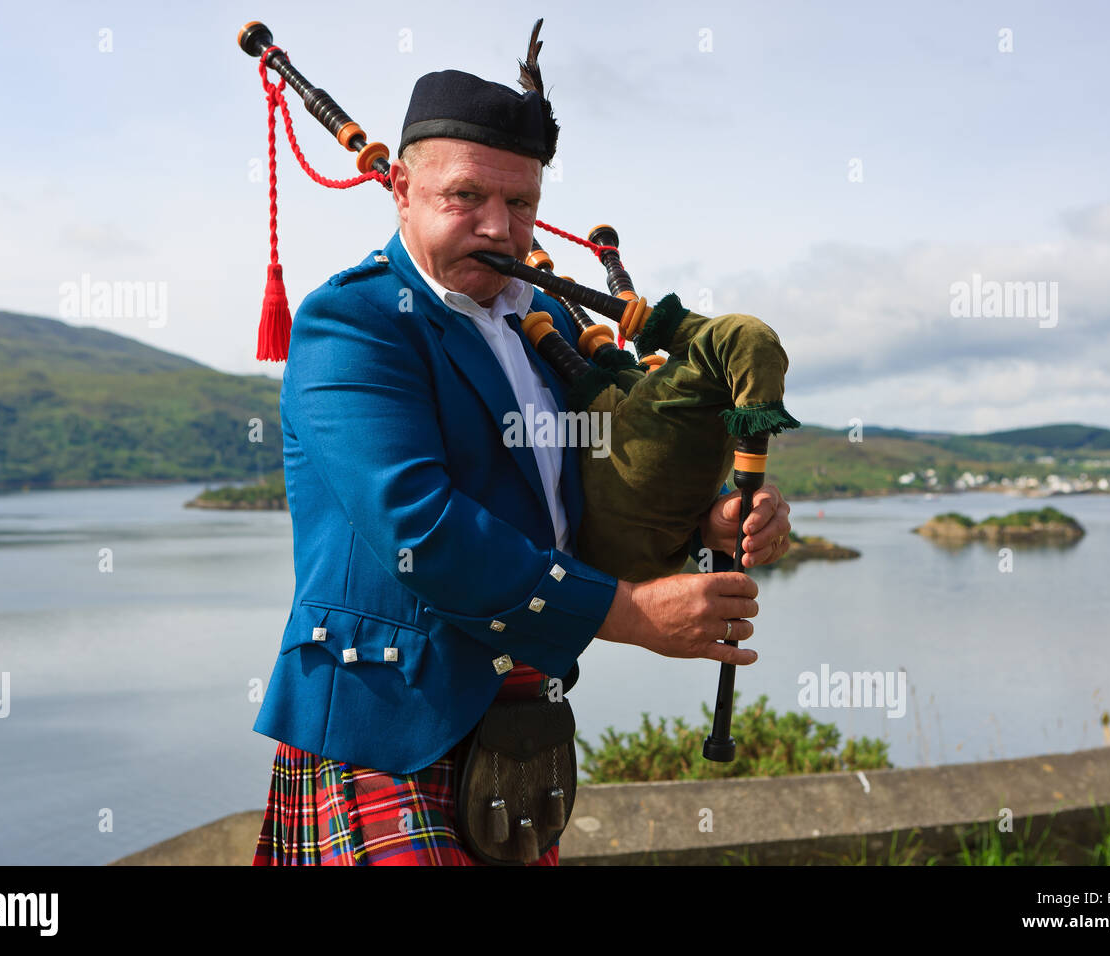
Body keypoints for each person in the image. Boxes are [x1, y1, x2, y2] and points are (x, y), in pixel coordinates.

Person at [250, 64, 792, 866]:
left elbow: (596, 477)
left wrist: (705, 515)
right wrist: (632, 613)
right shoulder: (353, 322)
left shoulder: (544, 323)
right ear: (401, 188)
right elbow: (422, 529)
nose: (501, 228)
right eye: (467, 196)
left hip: (518, 728)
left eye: (522, 203)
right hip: (386, 722)